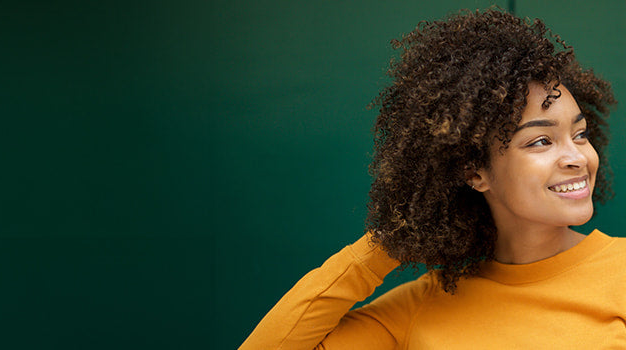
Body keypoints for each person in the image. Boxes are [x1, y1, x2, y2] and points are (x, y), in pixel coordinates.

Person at [240, 9, 624, 349]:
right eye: (541, 141)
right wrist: (393, 238)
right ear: (474, 172)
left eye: (580, 134)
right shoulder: (423, 305)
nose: (577, 157)